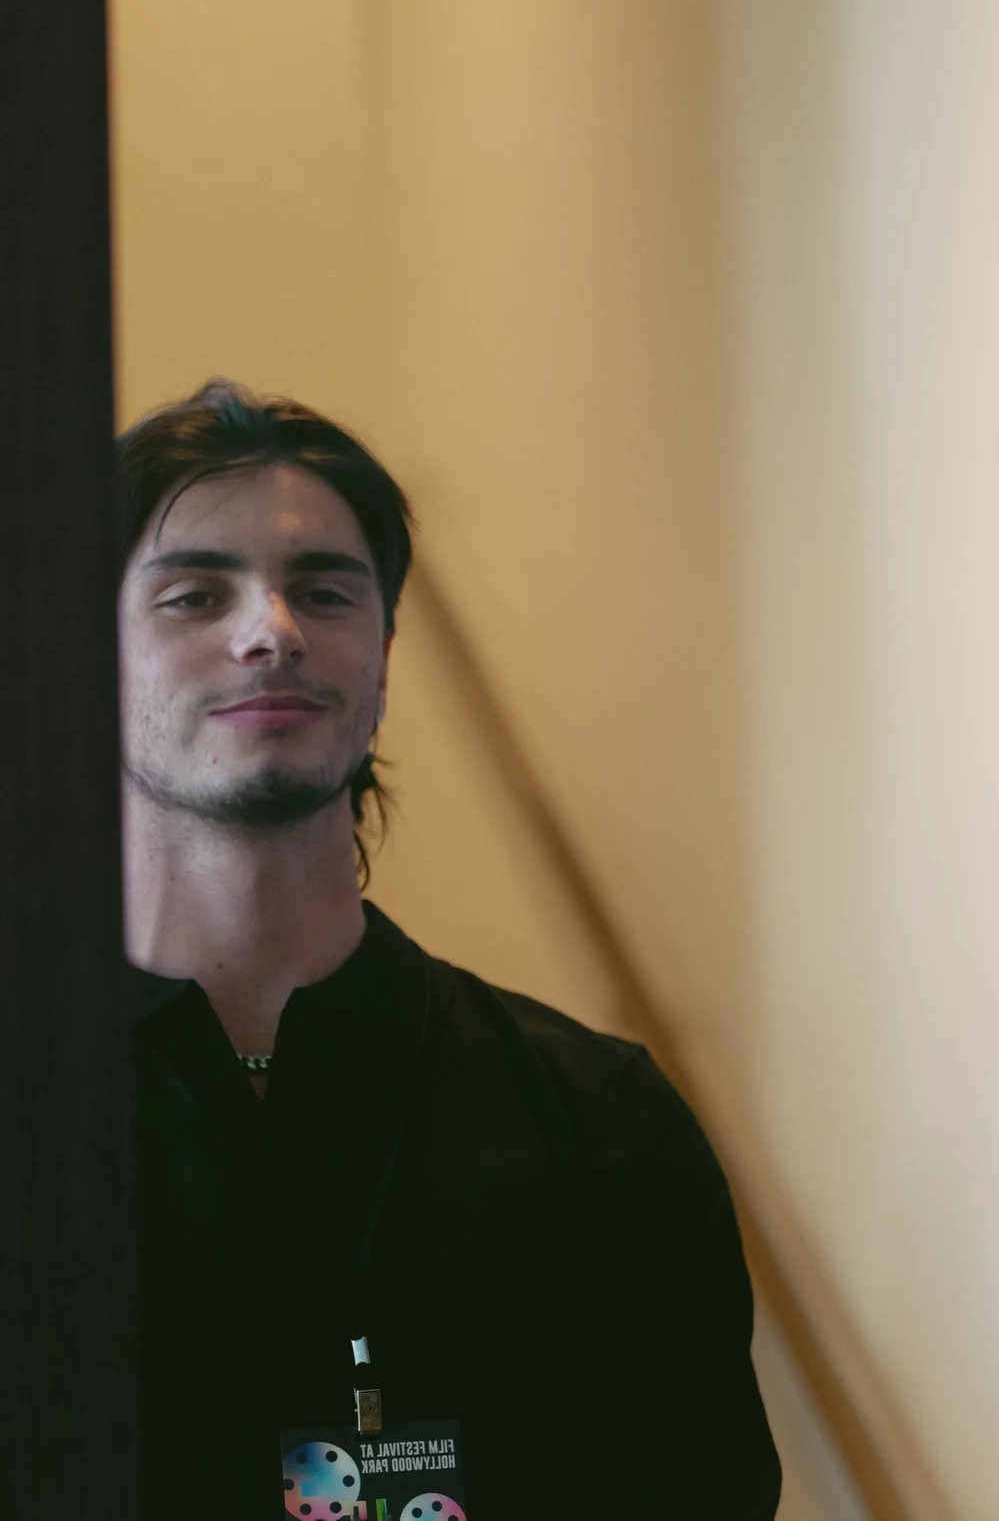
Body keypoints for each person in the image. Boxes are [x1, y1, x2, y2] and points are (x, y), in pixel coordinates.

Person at [119, 381, 781, 1516]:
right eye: (193, 594)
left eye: (324, 590)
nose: (270, 628)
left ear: (382, 652)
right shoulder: (30, 1113)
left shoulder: (595, 1118)